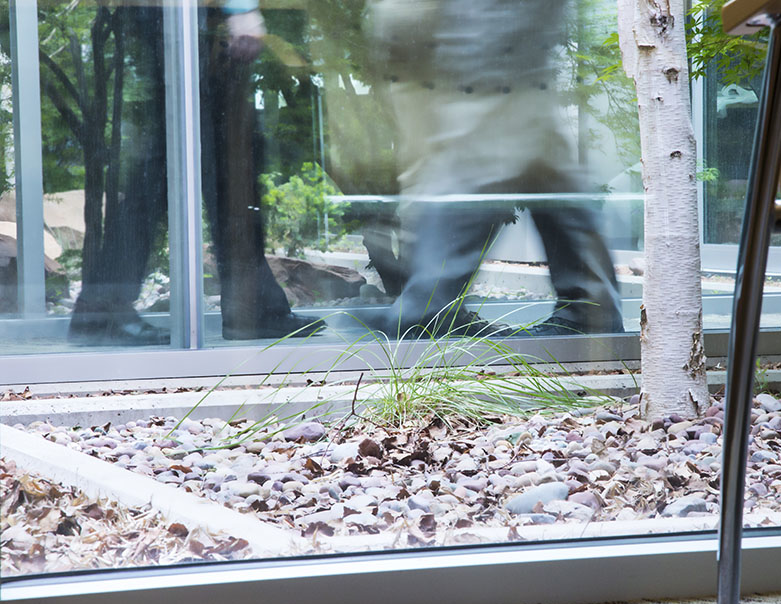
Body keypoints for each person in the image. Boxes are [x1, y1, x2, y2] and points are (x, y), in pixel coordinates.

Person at [67, 2, 321, 345]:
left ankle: (104, 308)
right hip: (183, 11)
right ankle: (103, 308)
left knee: (202, 147)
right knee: (194, 145)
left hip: (177, 10)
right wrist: (240, 7)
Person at [368, 0, 623, 338]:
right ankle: (590, 314)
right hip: (503, 65)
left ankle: (424, 313)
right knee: (549, 181)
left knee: (473, 175)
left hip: (492, 68)